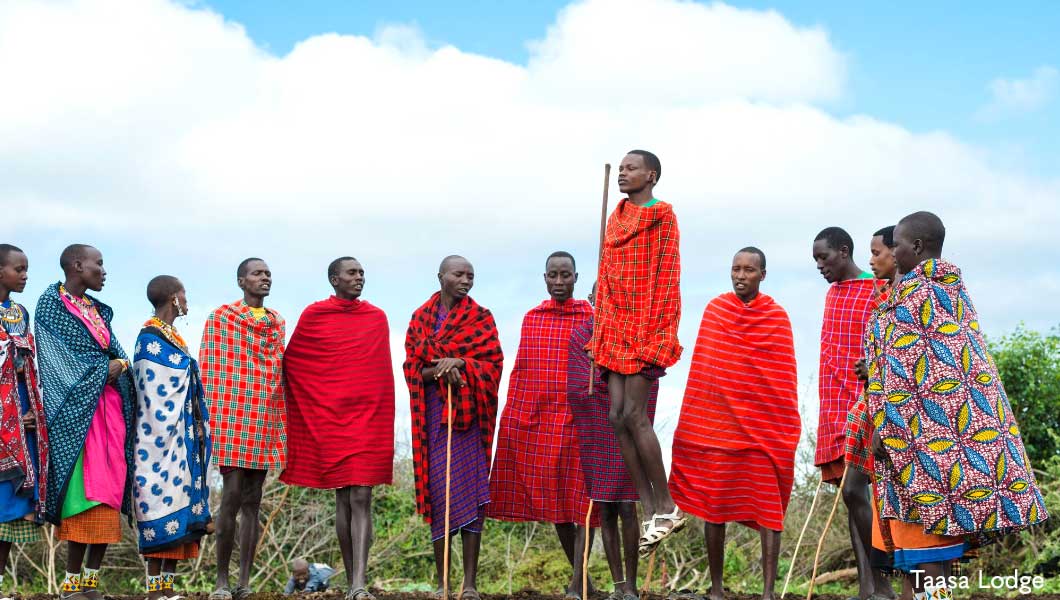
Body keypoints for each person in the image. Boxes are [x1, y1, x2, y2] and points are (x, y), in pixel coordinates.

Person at [868, 211, 1048, 600]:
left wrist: (886, 429)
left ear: (916, 246)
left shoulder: (917, 295)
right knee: (923, 549)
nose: (893, 252)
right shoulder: (950, 291)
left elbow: (909, 372)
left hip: (922, 442)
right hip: (939, 441)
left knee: (928, 547)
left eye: (896, 244)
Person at [669, 248, 800, 600]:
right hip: (719, 430)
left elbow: (781, 379)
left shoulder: (776, 317)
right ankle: (715, 589)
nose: (741, 276)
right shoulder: (716, 311)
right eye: (736, 269)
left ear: (763, 275)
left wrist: (779, 427)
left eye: (749, 270)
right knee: (716, 506)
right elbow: (706, 374)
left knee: (769, 510)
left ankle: (769, 592)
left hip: (762, 434)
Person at [281, 257, 394, 600]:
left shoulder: (376, 317)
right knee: (343, 495)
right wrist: (313, 406)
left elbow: (379, 371)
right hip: (330, 415)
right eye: (352, 273)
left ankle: (359, 582)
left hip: (368, 416)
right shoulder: (315, 316)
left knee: (362, 494)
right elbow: (294, 362)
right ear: (334, 279)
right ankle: (351, 583)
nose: (359, 277)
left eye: (362, 273)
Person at [591, 150, 684, 556]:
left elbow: (667, 277)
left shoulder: (663, 217)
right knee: (615, 416)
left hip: (647, 325)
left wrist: (656, 334)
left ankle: (666, 506)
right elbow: (609, 273)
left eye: (631, 169)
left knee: (634, 413)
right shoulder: (615, 219)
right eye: (621, 169)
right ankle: (652, 511)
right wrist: (603, 309)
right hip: (614, 326)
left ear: (652, 175)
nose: (623, 174)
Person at [488, 251, 596, 599]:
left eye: (566, 276)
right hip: (543, 421)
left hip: (581, 419)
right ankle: (583, 582)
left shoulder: (591, 316)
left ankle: (578, 583)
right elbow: (523, 372)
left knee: (583, 503)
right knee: (558, 504)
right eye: (553, 276)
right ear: (545, 278)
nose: (560, 282)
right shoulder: (533, 319)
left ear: (576, 278)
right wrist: (516, 416)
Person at [34, 244, 135, 600]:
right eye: (99, 264)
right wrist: (102, 368)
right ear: (78, 266)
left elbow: (120, 356)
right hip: (77, 417)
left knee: (109, 493)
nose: (104, 271)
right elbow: (58, 365)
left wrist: (118, 366)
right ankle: (71, 585)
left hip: (110, 413)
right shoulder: (51, 306)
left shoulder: (95, 310)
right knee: (82, 497)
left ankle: (91, 584)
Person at [403, 256, 503, 600]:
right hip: (434, 417)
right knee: (440, 494)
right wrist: (441, 371)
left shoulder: (481, 318)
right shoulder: (420, 319)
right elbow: (413, 370)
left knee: (473, 493)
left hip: (469, 419)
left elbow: (493, 366)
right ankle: (443, 583)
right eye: (458, 274)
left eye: (470, 275)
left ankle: (470, 584)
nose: (465, 280)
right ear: (441, 276)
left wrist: (461, 363)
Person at [201, 258, 286, 600]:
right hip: (232, 415)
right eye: (257, 273)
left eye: (267, 273)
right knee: (232, 496)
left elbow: (279, 366)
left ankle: (243, 583)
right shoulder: (222, 319)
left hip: (264, 412)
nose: (264, 278)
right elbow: (212, 366)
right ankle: (221, 580)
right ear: (241, 281)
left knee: (254, 499)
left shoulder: (277, 321)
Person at [567, 283, 658, 600]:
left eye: (614, 297)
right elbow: (578, 389)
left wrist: (610, 373)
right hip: (596, 428)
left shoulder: (634, 334)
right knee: (604, 508)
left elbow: (647, 379)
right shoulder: (582, 336)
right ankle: (619, 586)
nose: (607, 303)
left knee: (627, 507)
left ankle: (631, 585)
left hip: (625, 432)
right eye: (601, 297)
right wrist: (601, 371)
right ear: (592, 300)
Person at [811, 227, 885, 599]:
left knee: (863, 493)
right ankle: (866, 587)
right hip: (834, 404)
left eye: (824, 258)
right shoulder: (832, 293)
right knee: (850, 496)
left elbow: (884, 341)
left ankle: (883, 582)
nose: (820, 266)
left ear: (844, 251)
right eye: (815, 261)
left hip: (865, 402)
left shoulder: (877, 287)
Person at [132, 276, 213, 600]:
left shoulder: (173, 338)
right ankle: (154, 592)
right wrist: (186, 369)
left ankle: (168, 590)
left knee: (182, 508)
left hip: (182, 440)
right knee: (155, 507)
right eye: (183, 293)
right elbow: (149, 386)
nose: (187, 299)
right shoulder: (148, 337)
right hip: (155, 440)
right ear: (172, 298)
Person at [0, 245, 48, 597]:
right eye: (19, 269)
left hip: (20, 427)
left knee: (11, 513)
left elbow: (27, 368)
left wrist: (29, 411)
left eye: (27, 269)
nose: (25, 275)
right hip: (4, 420)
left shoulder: (19, 313)